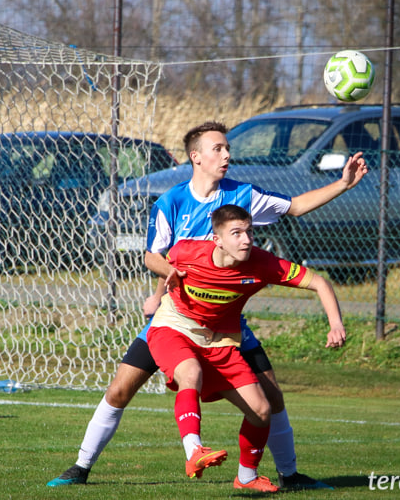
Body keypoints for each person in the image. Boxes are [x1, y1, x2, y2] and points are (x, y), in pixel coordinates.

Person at [48, 121, 367, 489]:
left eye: (227, 147)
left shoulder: (243, 195)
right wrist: (165, 281)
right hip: (178, 316)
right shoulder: (171, 201)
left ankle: (288, 475)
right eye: (218, 148)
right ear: (195, 157)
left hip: (225, 324)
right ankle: (80, 467)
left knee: (271, 399)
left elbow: (294, 207)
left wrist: (343, 184)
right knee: (120, 389)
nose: (227, 154)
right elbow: (154, 256)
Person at [147, 204, 345, 491]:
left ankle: (247, 477)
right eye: (237, 233)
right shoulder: (188, 251)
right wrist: (169, 272)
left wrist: (335, 323)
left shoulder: (264, 264)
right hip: (174, 327)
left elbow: (319, 283)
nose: (246, 239)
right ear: (216, 239)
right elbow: (152, 258)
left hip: (220, 340)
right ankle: (194, 452)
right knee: (189, 373)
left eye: (250, 232)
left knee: (262, 409)